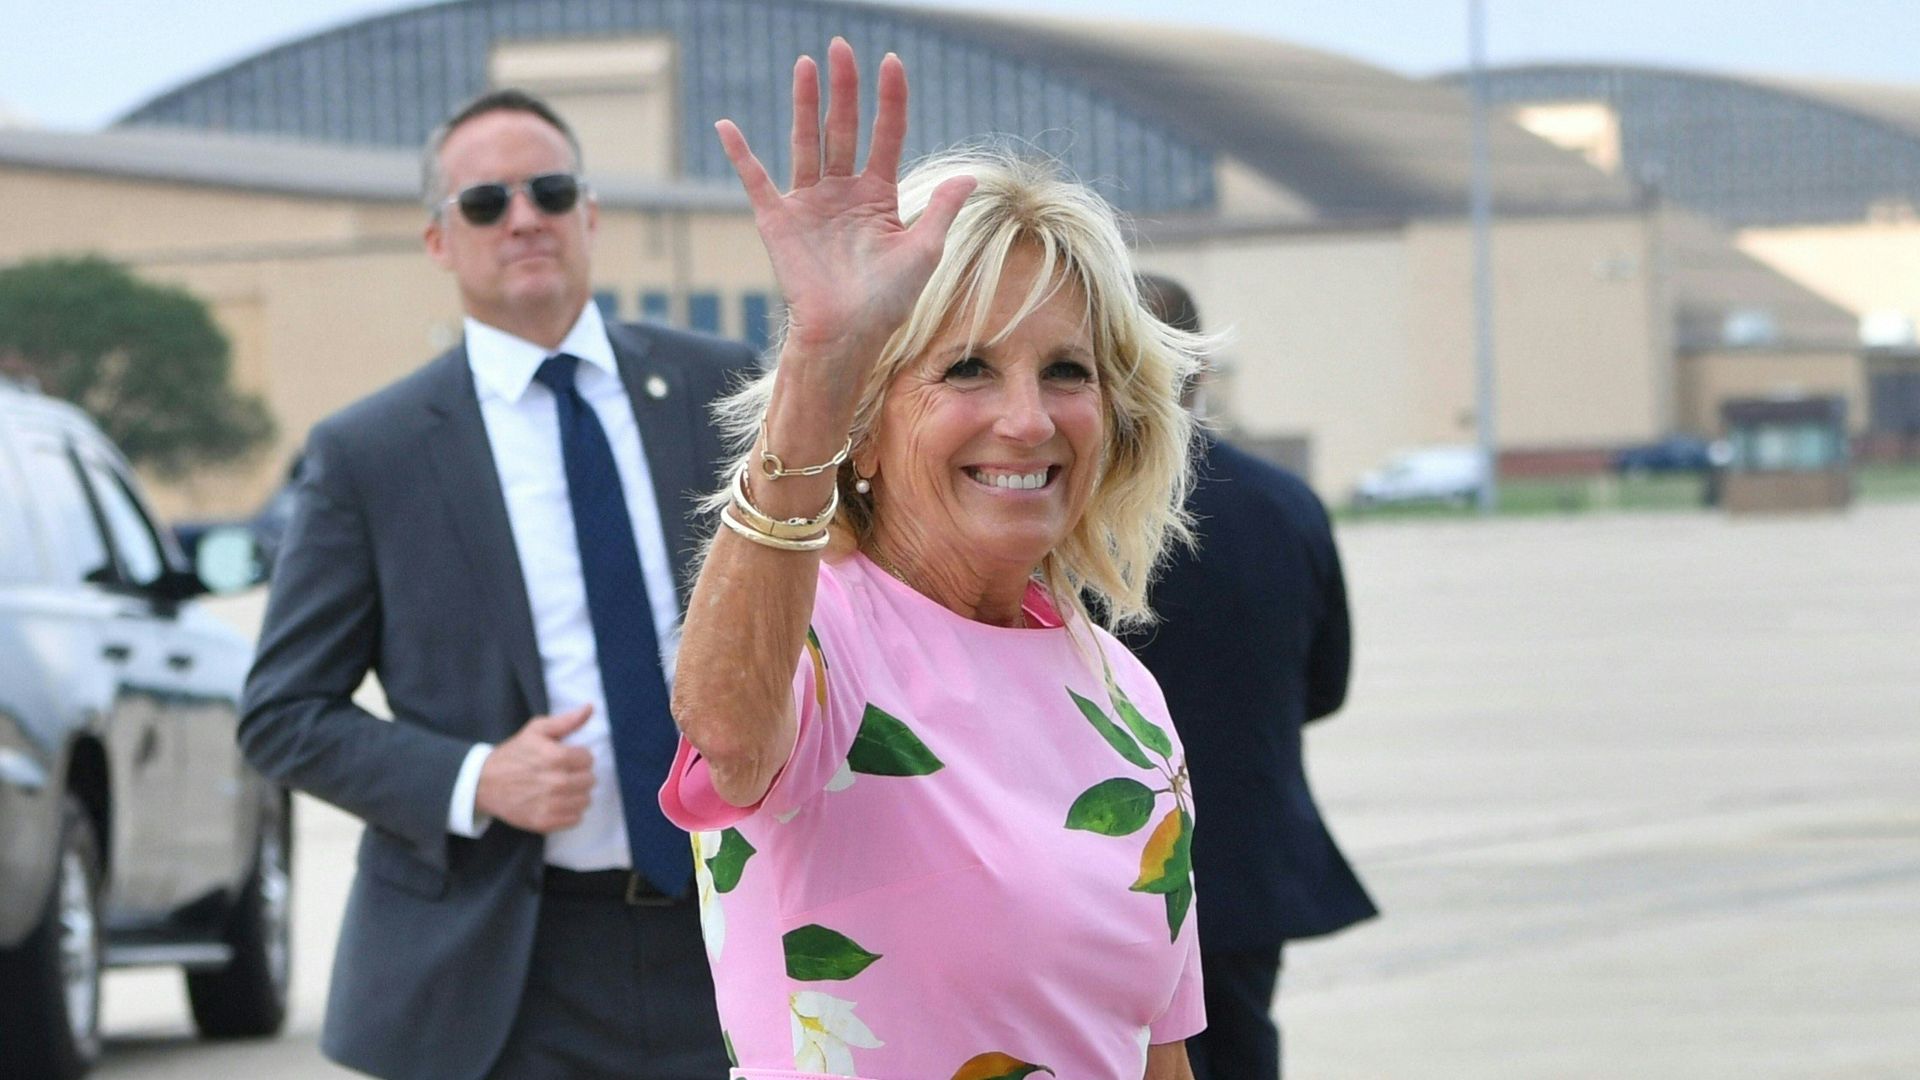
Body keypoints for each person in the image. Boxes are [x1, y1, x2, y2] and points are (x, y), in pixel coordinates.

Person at [659, 39, 1208, 1079]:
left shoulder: (1123, 692)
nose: (1026, 418)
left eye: (1065, 371)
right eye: (964, 368)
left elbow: (1156, 1052)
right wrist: (821, 362)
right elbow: (726, 729)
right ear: (863, 429)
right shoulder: (821, 637)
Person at [239, 89, 750, 1080]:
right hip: (503, 974)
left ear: (590, 215)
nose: (524, 219)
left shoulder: (719, 388)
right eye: (485, 203)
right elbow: (282, 714)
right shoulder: (370, 454)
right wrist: (477, 779)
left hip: (731, 937)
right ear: (439, 239)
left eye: (550, 191)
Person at [1123, 275, 1377, 1080]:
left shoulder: (1068, 508)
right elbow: (1327, 685)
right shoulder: (1287, 502)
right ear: (1201, 373)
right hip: (1244, 861)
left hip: (1103, 856)